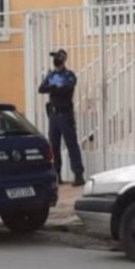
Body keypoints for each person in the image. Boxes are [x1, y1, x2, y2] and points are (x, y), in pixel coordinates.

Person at [38, 48, 85, 186]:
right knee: (54, 146)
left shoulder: (69, 75)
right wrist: (53, 87)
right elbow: (41, 88)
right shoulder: (51, 75)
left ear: (63, 59)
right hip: (53, 114)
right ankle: (57, 174)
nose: (55, 61)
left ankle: (78, 174)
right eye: (54, 58)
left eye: (58, 58)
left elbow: (67, 89)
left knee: (71, 144)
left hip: (65, 114)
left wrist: (54, 88)